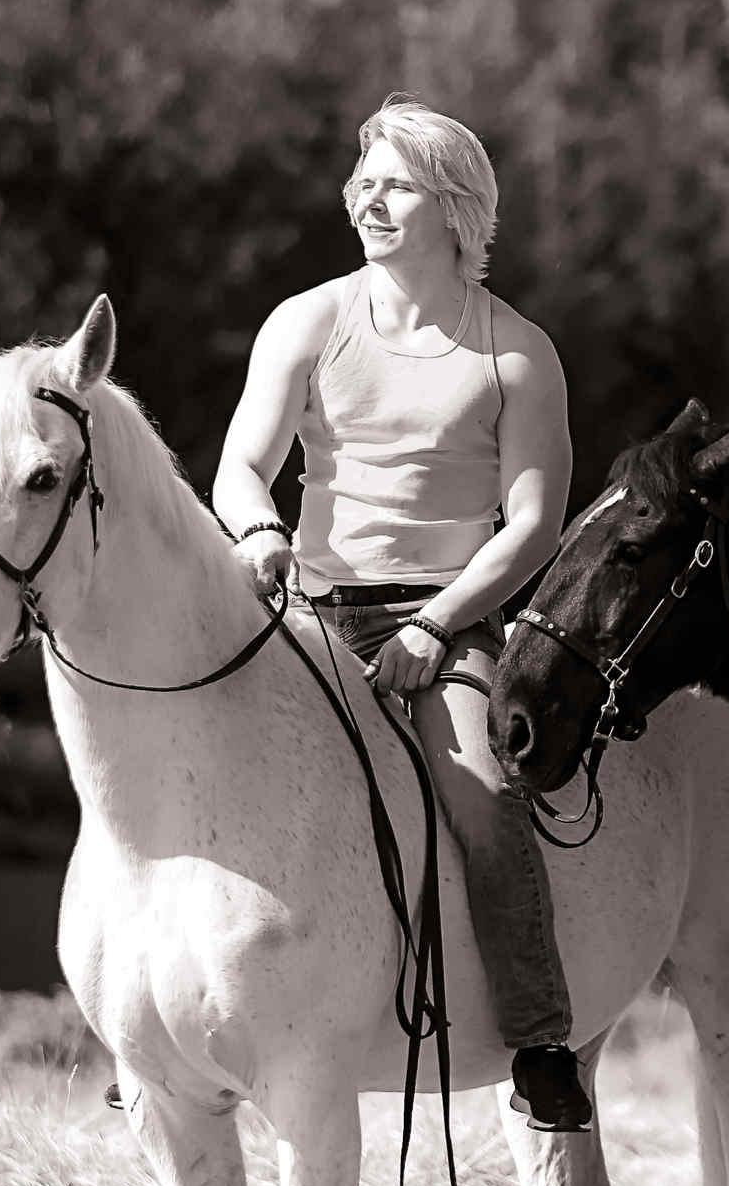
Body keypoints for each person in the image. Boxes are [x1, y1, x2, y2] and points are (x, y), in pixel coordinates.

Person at [211, 94, 590, 1132]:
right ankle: (177, 1026)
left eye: (396, 183)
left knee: (481, 793)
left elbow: (532, 524)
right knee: (205, 766)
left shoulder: (515, 352)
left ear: (456, 206)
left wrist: (436, 627)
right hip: (311, 607)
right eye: (363, 180)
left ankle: (542, 1040)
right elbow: (243, 465)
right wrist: (256, 533)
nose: (370, 199)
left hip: (450, 618)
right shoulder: (308, 320)